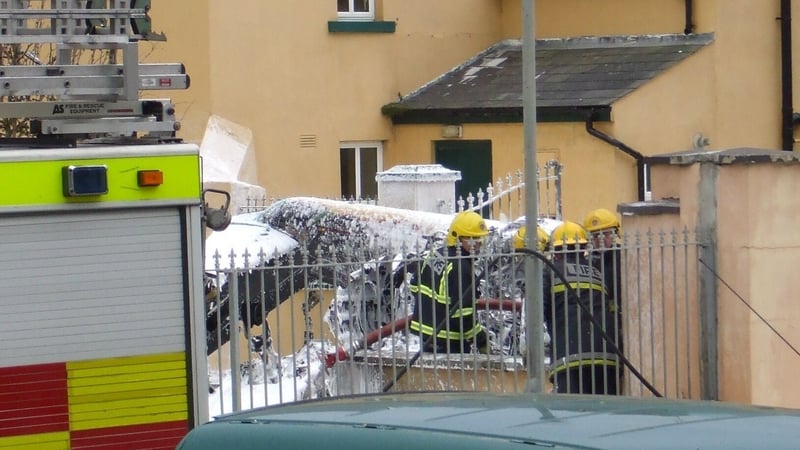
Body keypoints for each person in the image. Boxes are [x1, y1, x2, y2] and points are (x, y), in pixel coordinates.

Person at [544, 221, 620, 395]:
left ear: (556, 251)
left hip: (569, 358)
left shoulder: (550, 272)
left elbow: (538, 313)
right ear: (584, 247)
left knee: (572, 414)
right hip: (607, 356)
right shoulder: (598, 271)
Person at [409, 211, 489, 354]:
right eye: (472, 239)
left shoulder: (436, 254)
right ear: (457, 238)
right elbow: (464, 315)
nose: (477, 244)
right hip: (449, 340)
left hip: (427, 336)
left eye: (479, 239)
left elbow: (414, 286)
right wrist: (481, 340)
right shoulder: (462, 267)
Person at [583, 208, 622, 304]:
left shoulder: (624, 256)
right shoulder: (587, 262)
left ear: (614, 234)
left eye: (605, 234)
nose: (600, 239)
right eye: (595, 236)